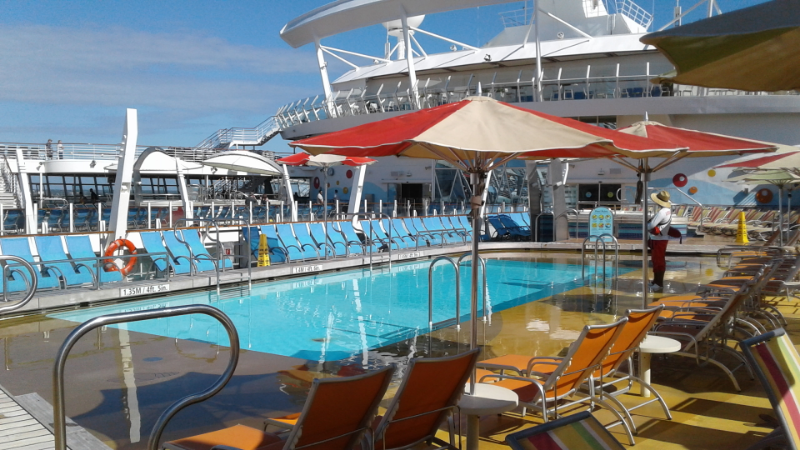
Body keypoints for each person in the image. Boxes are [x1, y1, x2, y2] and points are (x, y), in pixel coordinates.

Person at [647, 190, 672, 293]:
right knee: (657, 260)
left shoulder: (662, 212)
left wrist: (647, 225)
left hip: (659, 239)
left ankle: (658, 283)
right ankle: (656, 281)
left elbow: (651, 225)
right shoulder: (668, 211)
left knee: (658, 261)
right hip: (662, 238)